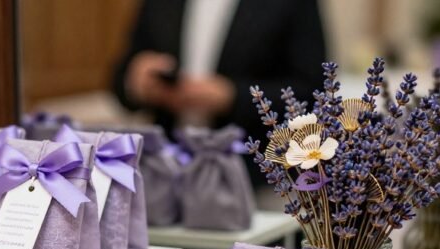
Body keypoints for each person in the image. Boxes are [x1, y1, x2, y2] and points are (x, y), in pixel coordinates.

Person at [113, 0, 327, 144]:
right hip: (167, 167)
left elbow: (311, 93)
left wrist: (232, 97)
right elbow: (120, 79)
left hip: (254, 175)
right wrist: (137, 81)